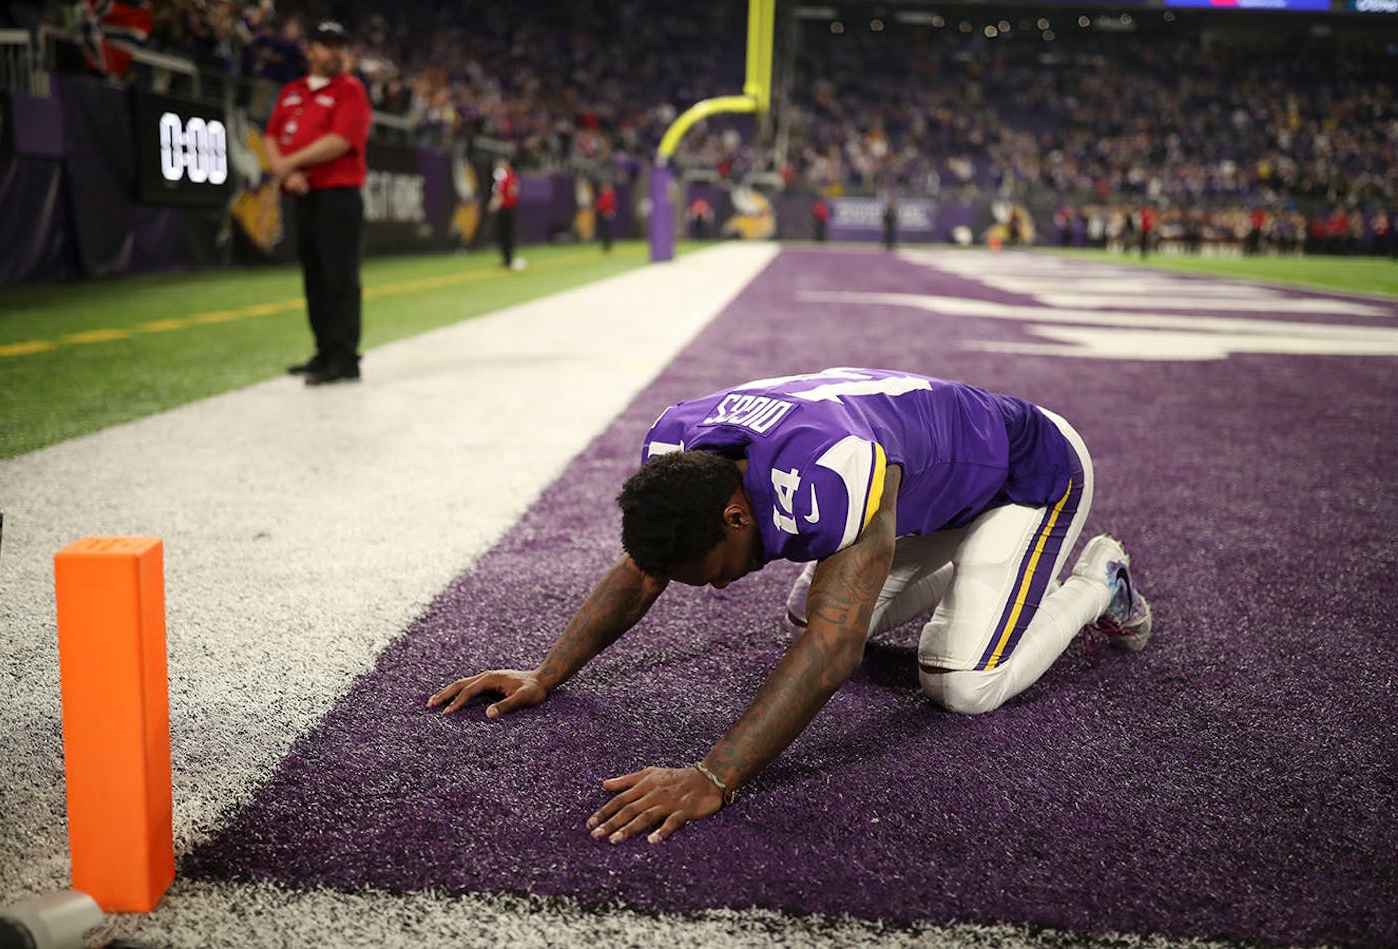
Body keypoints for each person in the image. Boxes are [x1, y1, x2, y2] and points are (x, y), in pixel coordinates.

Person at [428, 367, 1153, 845]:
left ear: (737, 519)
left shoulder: (831, 469)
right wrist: (547, 673)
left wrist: (714, 775)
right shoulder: (681, 452)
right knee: (810, 612)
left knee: (958, 681)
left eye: (707, 571)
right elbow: (642, 571)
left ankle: (1096, 580)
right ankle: (989, 582)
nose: (710, 588)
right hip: (933, 495)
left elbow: (834, 655)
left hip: (1030, 474)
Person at [265, 20, 371, 386]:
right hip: (303, 195)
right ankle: (324, 351)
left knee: (338, 277)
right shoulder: (292, 91)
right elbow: (272, 135)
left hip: (337, 195)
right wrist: (285, 172)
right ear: (309, 50)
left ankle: (344, 358)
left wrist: (288, 164)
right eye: (326, 44)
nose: (334, 51)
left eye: (339, 44)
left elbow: (339, 141)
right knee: (314, 277)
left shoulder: (350, 90)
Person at [489, 156, 521, 269]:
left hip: (505, 209)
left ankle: (507, 260)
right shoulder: (513, 176)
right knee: (507, 235)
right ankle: (508, 259)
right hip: (510, 208)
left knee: (504, 235)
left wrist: (494, 205)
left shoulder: (505, 177)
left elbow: (500, 194)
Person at [595, 181, 616, 252]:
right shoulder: (603, 195)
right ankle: (605, 245)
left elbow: (609, 205)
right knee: (604, 231)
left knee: (607, 230)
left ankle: (607, 245)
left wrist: (607, 212)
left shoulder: (609, 195)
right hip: (602, 213)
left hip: (606, 213)